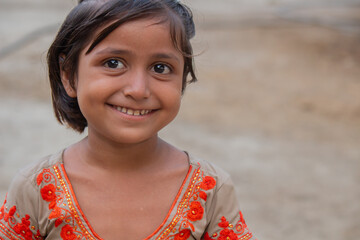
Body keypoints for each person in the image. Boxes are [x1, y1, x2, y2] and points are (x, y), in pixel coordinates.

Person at [0, 0, 256, 239]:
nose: (138, 89)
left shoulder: (210, 191)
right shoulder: (35, 190)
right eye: (113, 63)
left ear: (182, 79)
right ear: (69, 75)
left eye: (160, 68)